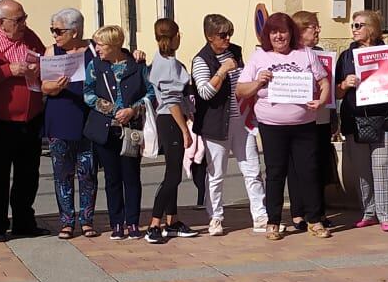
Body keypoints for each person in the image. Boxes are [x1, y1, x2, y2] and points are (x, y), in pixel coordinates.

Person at [238, 12, 332, 239]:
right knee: (275, 173)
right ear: (267, 35)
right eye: (273, 32)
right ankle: (274, 221)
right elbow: (240, 90)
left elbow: (324, 82)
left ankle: (314, 220)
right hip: (272, 125)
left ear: (291, 33)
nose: (279, 36)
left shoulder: (306, 54)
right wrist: (259, 80)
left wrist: (320, 101)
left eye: (283, 31)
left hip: (304, 125)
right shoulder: (259, 57)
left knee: (308, 172)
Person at [191, 13, 268, 235]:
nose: (227, 39)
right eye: (222, 35)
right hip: (215, 125)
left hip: (241, 121)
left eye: (229, 34)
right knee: (216, 174)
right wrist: (222, 70)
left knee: (252, 169)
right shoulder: (201, 59)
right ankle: (215, 217)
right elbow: (205, 92)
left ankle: (260, 216)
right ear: (209, 36)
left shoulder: (235, 51)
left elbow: (244, 79)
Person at [0, 0, 46, 242]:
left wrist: (41, 69)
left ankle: (24, 222)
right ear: (0, 23)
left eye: (24, 17)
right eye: (17, 20)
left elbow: (43, 60)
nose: (23, 23)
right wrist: (9, 71)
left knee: (28, 175)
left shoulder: (30, 36)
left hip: (31, 117)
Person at [85, 25, 152, 239]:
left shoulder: (137, 65)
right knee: (112, 178)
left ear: (114, 45)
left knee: (131, 177)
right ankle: (116, 223)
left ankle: (132, 222)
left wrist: (133, 110)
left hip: (131, 130)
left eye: (101, 44)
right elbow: (87, 94)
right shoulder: (95, 65)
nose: (97, 48)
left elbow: (150, 93)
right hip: (106, 129)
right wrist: (112, 110)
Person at [338, 10, 388, 230]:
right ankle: (369, 211)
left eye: (359, 25)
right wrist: (345, 84)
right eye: (353, 25)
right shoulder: (346, 56)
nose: (354, 29)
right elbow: (336, 92)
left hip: (384, 117)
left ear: (372, 29)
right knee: (362, 169)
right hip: (355, 118)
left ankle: (386, 216)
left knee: (381, 165)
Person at [40, 8, 97, 239]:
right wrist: (56, 87)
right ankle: (66, 220)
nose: (54, 35)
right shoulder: (52, 51)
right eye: (52, 30)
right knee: (62, 172)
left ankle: (87, 219)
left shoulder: (93, 48)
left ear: (75, 31)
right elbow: (44, 86)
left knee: (88, 171)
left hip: (86, 118)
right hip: (60, 115)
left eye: (58, 30)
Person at [145, 18, 198, 244]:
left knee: (173, 171)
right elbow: (171, 100)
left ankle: (172, 220)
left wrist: (190, 112)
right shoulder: (166, 65)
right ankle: (154, 224)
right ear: (175, 36)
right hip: (169, 120)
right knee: (173, 175)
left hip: (172, 118)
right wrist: (184, 128)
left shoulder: (166, 60)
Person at [293, 10, 335, 232]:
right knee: (297, 167)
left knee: (318, 167)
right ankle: (298, 213)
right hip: (298, 118)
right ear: (300, 29)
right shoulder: (291, 54)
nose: (318, 30)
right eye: (314, 26)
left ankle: (318, 212)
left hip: (321, 117)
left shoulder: (322, 53)